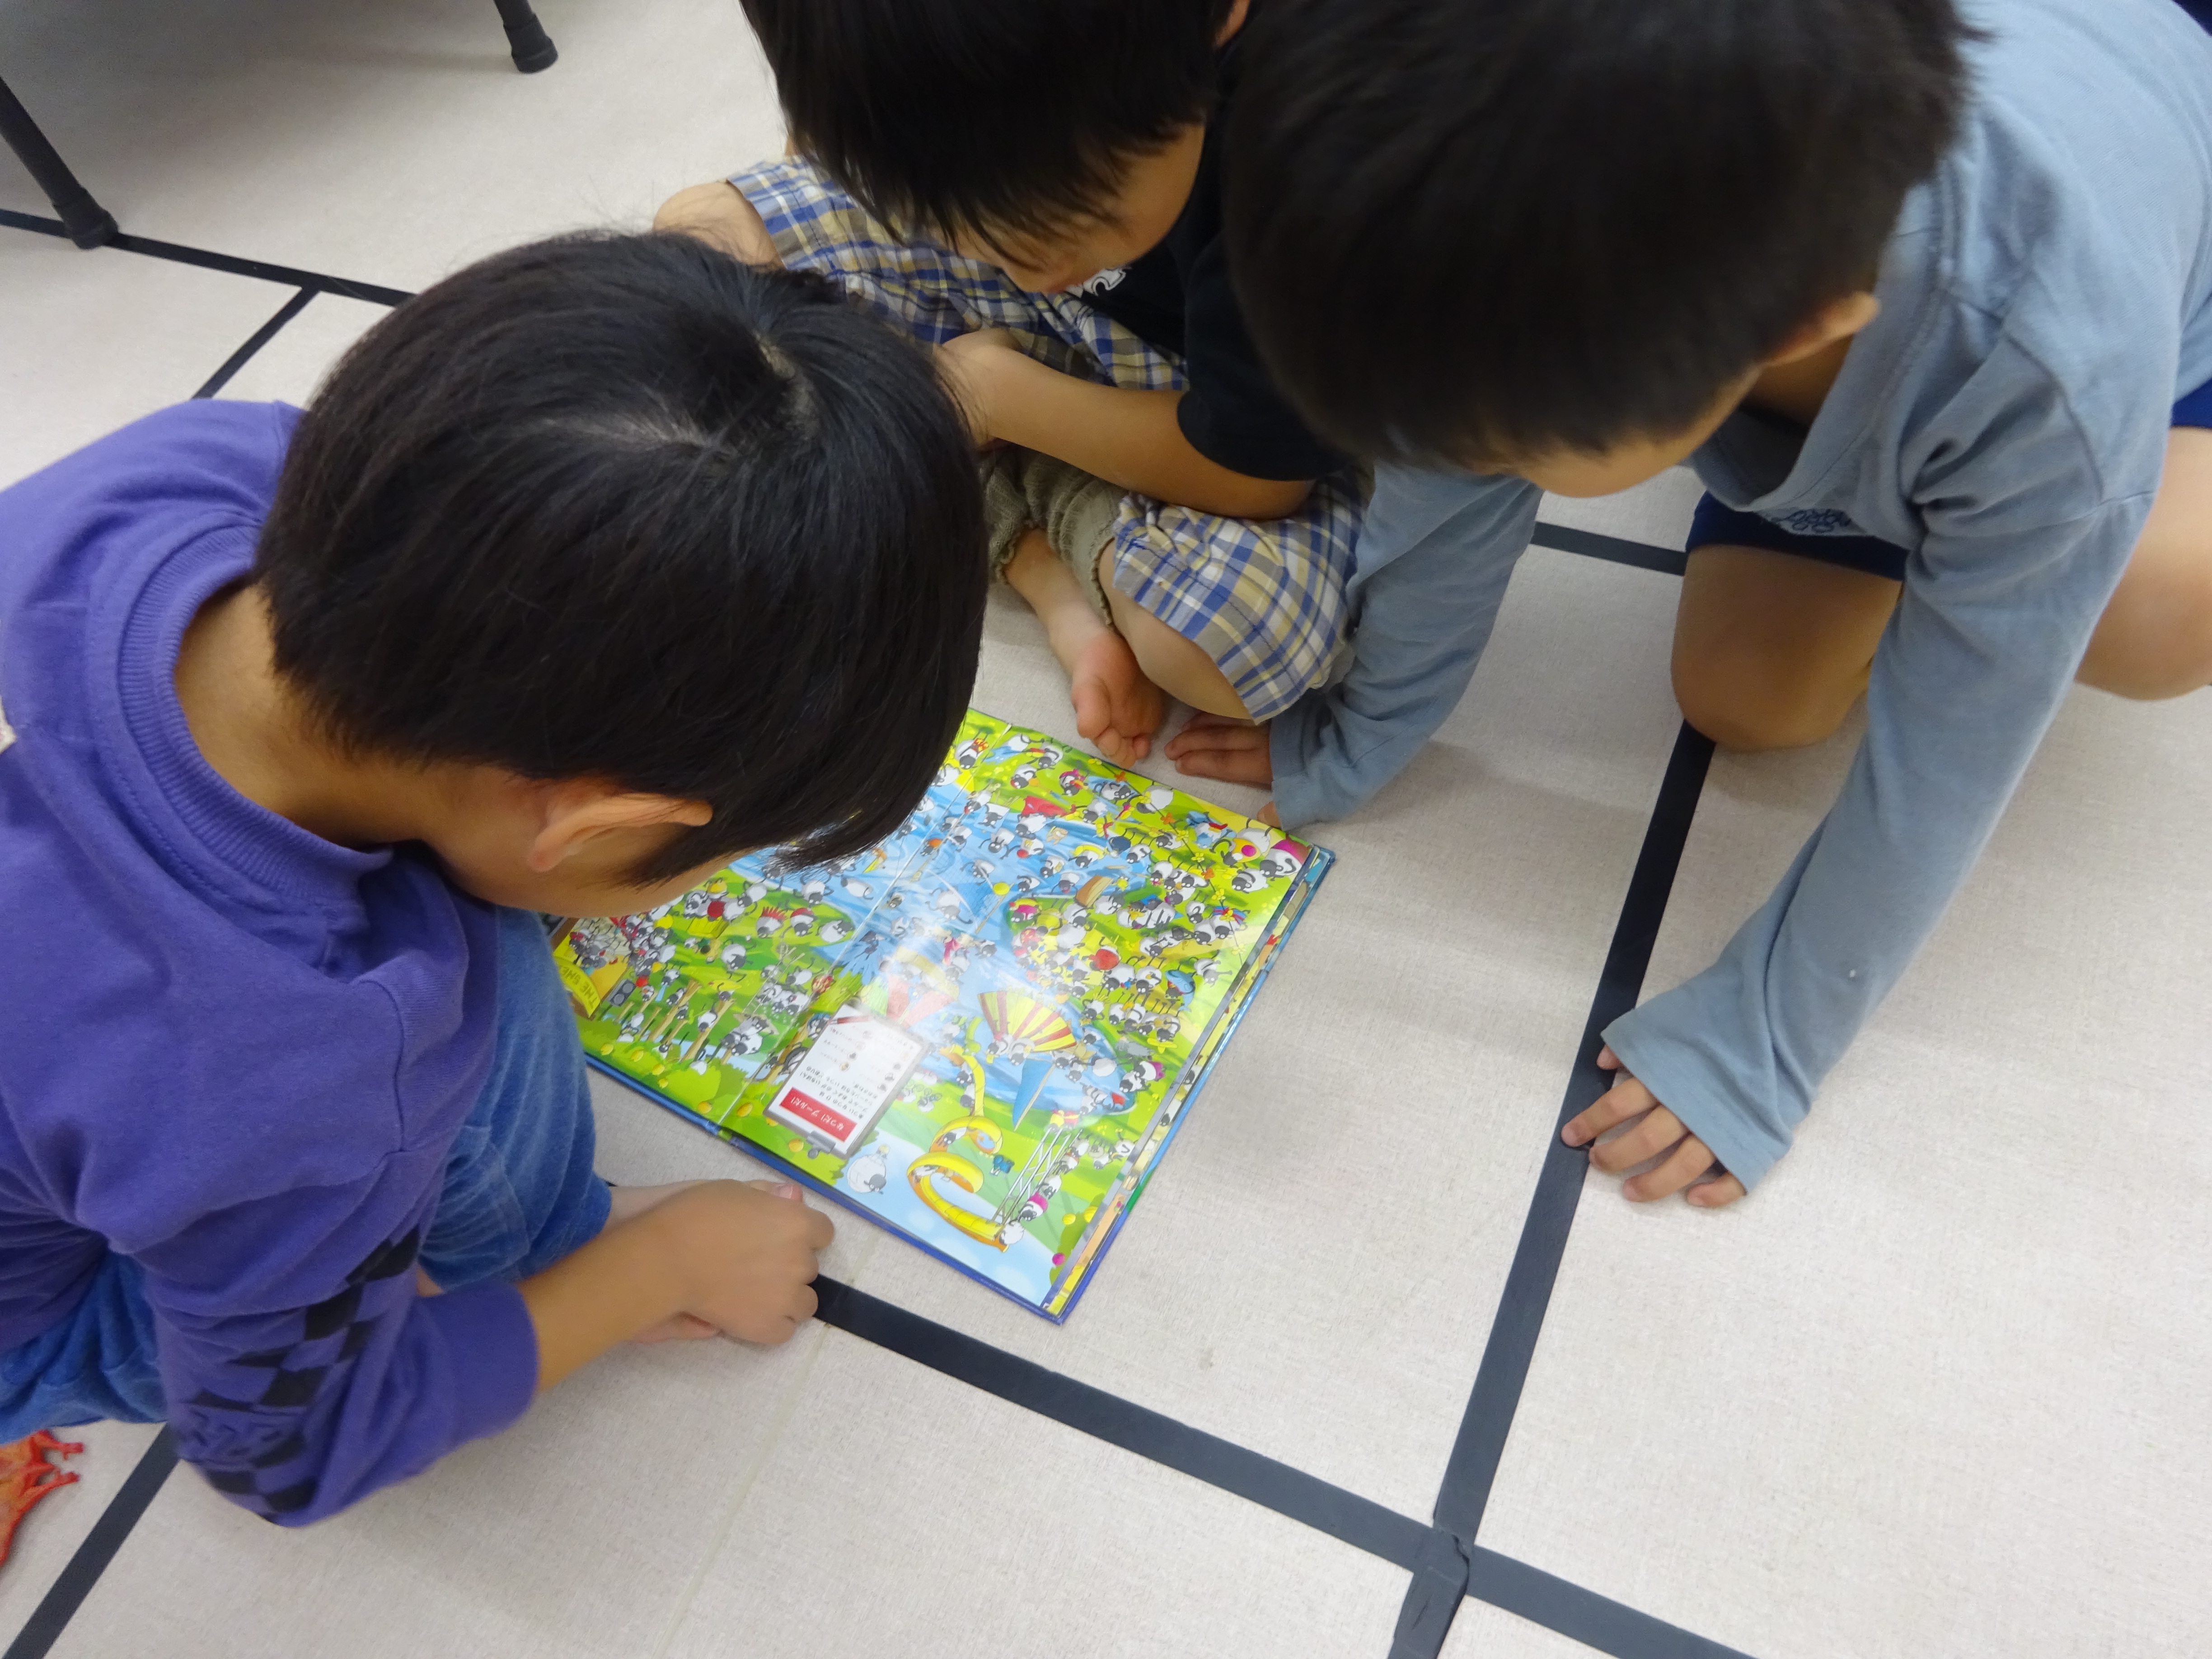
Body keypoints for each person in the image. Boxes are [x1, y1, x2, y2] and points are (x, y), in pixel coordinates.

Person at [0, 232, 987, 1521]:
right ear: (591, 823)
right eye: (717, 856)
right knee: (460, 981)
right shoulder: (310, 1061)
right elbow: (288, 1454)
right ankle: (550, 1232)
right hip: (39, 1325)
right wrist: (647, 1267)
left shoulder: (196, 468)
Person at [1204, 0, 2212, 1201]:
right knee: (1747, 697)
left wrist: (1764, 1042)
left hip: (2152, 330)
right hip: (1844, 334)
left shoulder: (2049, 371)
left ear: (1787, 326)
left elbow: (1955, 749)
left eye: (1499, 448)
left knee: (2148, 612)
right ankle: (1924, 523)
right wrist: (1364, 730)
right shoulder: (1572, 225)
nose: (1440, 464)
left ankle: (1980, 539)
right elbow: (1442, 492)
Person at [656, 0, 1361, 775]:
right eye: (952, 219)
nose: (1022, 267)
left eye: (1073, 216)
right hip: (1052, 343)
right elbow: (815, 154)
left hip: (1216, 401)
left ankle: (1016, 485)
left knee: (1222, 644)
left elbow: (1261, 479)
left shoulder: (1302, 156)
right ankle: (1037, 559)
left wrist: (998, 395)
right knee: (704, 250)